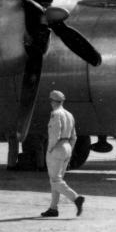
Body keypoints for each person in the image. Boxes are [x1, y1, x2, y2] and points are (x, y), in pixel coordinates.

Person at [41, 90, 85, 218]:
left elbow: (55, 134)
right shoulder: (69, 115)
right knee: (57, 179)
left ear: (53, 101)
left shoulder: (55, 114)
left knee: (55, 180)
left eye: (50, 100)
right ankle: (53, 208)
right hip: (67, 147)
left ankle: (76, 198)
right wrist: (69, 149)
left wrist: (50, 149)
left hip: (57, 147)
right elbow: (74, 136)